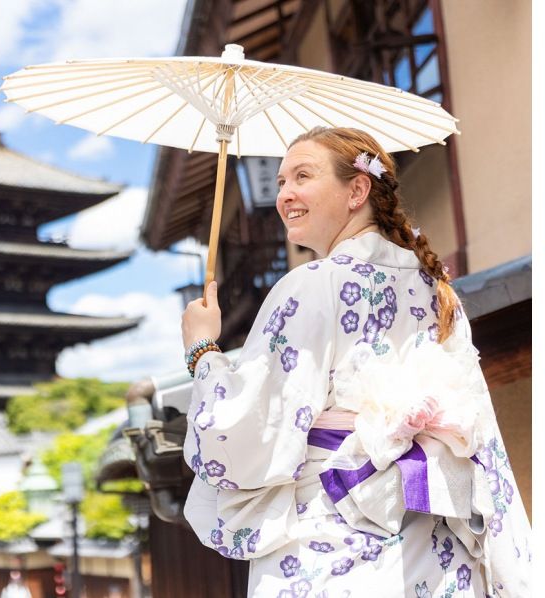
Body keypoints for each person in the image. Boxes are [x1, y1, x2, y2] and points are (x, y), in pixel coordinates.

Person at [180, 127, 530, 597]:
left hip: (335, 543)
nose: (285, 195)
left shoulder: (312, 285)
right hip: (438, 551)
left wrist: (203, 350)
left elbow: (244, 430)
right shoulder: (438, 291)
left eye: (302, 176)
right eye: (281, 182)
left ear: (357, 190)